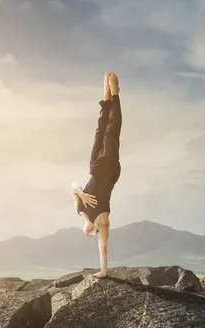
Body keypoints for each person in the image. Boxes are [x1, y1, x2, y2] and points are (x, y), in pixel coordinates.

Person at [71, 71, 122, 278]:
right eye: (92, 236)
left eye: (87, 235)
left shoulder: (80, 210)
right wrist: (102, 272)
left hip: (94, 167)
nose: (88, 236)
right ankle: (116, 95)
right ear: (95, 231)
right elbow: (104, 250)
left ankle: (106, 97)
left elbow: (73, 184)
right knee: (112, 132)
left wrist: (81, 193)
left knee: (99, 132)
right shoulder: (102, 222)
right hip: (109, 170)